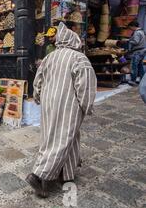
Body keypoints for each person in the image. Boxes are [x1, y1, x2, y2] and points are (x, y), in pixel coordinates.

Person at [26, 23, 97, 198]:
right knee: (63, 138)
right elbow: (85, 86)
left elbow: (38, 80)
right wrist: (87, 106)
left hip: (49, 102)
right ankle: (38, 175)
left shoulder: (50, 57)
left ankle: (67, 174)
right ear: (74, 41)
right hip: (68, 103)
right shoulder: (79, 58)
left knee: (57, 135)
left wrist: (37, 97)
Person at [127, 20, 146, 86]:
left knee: (134, 66)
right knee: (140, 66)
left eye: (130, 28)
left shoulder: (137, 33)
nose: (130, 29)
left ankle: (133, 81)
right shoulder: (142, 31)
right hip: (142, 51)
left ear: (133, 26)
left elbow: (136, 41)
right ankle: (143, 80)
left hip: (137, 51)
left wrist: (129, 40)